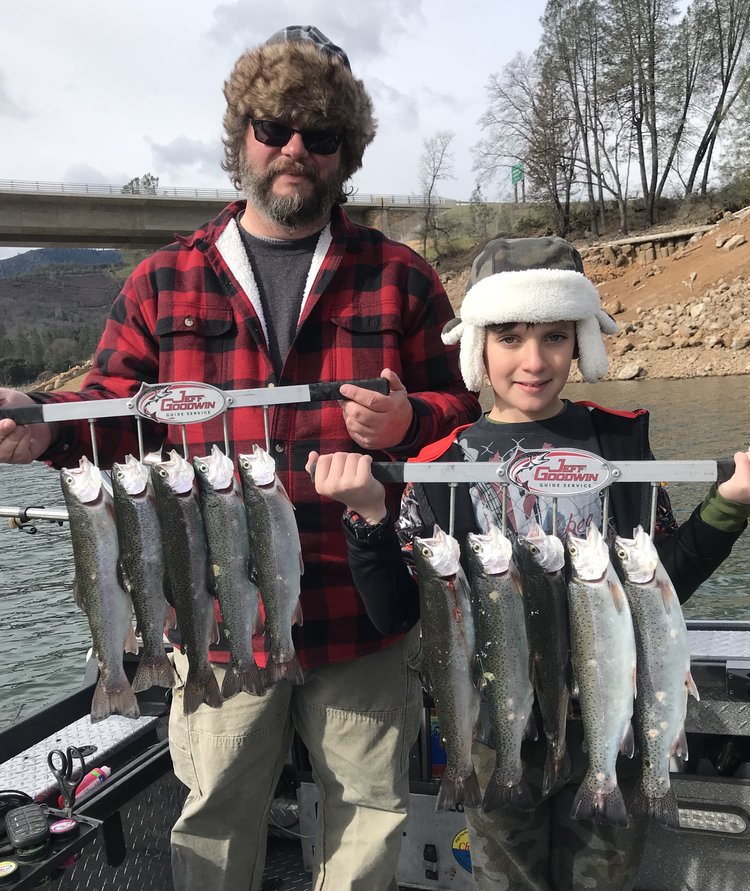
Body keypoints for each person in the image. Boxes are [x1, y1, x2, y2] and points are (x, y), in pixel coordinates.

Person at [0, 26, 480, 891]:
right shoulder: (162, 279)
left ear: (346, 151)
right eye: (274, 127)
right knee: (216, 817)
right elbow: (111, 407)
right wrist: (44, 424)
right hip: (219, 621)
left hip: (362, 610)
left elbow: (463, 412)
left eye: (320, 134)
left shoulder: (401, 276)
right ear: (242, 140)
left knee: (369, 823)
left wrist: (413, 415)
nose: (295, 148)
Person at [308, 235, 750, 890]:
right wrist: (369, 516)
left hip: (609, 724)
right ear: (478, 345)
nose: (534, 360)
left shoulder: (620, 443)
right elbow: (396, 611)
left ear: (580, 342)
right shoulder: (438, 467)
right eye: (510, 336)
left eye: (555, 336)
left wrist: (728, 505)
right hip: (493, 730)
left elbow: (664, 584)